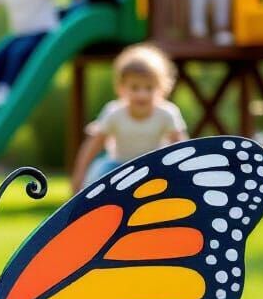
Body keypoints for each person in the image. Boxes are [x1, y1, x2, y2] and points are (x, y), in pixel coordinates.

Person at [71, 44, 187, 192]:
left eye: (149, 88)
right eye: (135, 87)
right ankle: (84, 203)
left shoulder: (167, 113)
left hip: (153, 167)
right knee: (99, 171)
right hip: (118, 165)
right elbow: (93, 145)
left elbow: (181, 147)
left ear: (162, 87)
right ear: (121, 88)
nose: (142, 94)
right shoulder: (114, 112)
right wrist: (79, 176)